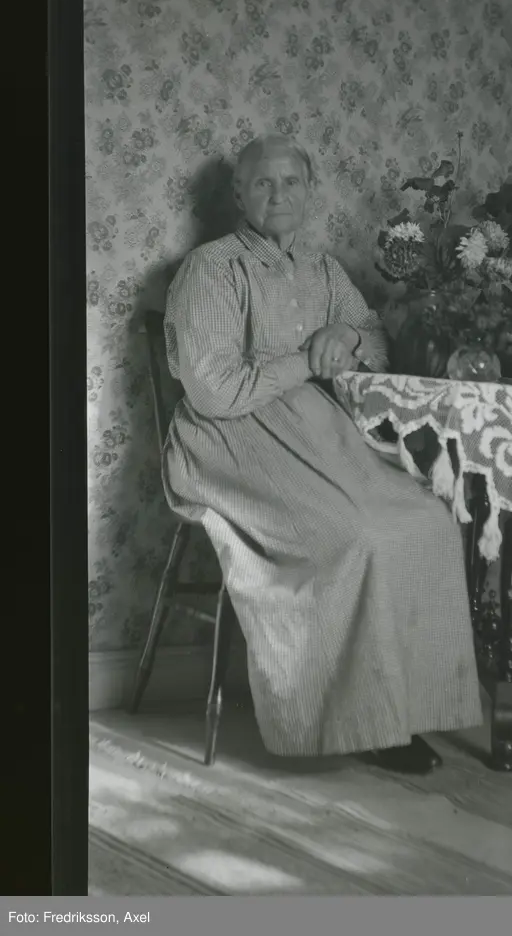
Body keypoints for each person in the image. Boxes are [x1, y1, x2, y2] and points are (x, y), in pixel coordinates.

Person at [162, 135, 483, 774]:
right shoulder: (213, 268)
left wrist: (347, 337)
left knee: (429, 521)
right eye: (263, 183)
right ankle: (356, 721)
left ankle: (406, 710)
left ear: (310, 192)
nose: (278, 194)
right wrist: (310, 358)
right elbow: (216, 390)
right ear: (239, 195)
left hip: (318, 430)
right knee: (354, 534)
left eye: (292, 182)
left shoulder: (324, 269)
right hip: (230, 438)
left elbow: (376, 345)